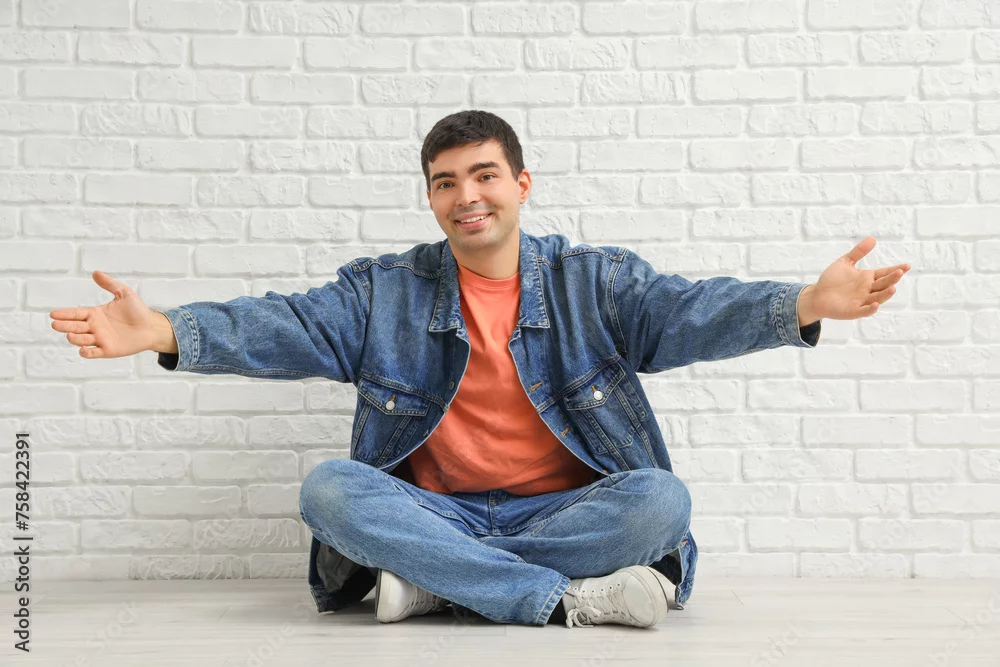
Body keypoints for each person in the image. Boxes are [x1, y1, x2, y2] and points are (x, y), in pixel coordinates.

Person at [50, 110, 910, 629]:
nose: (467, 195)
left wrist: (804, 301)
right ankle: (561, 599)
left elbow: (693, 309)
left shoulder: (595, 281)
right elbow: (287, 323)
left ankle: (436, 581)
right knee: (330, 491)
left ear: (522, 183)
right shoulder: (385, 290)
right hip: (437, 508)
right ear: (430, 198)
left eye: (484, 175)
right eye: (445, 182)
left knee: (661, 501)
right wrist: (164, 328)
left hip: (565, 509)